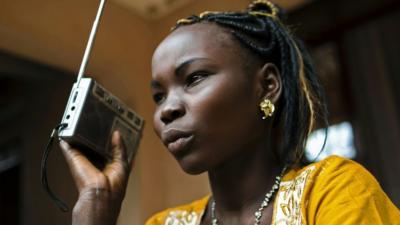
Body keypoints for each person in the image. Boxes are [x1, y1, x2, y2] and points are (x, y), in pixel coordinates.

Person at [59, 0, 400, 224]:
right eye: (159, 95)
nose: (167, 110)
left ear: (267, 86)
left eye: (194, 78)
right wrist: (96, 203)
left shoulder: (334, 191)